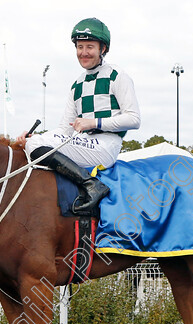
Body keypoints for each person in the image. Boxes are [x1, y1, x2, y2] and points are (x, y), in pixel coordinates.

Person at [16, 17, 140, 216]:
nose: (83, 53)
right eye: (80, 47)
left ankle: (92, 185)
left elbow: (134, 119)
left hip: (106, 147)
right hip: (83, 143)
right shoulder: (77, 85)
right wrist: (38, 139)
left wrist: (94, 122)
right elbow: (64, 130)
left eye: (89, 46)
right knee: (32, 145)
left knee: (36, 145)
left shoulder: (117, 75)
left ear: (103, 49)